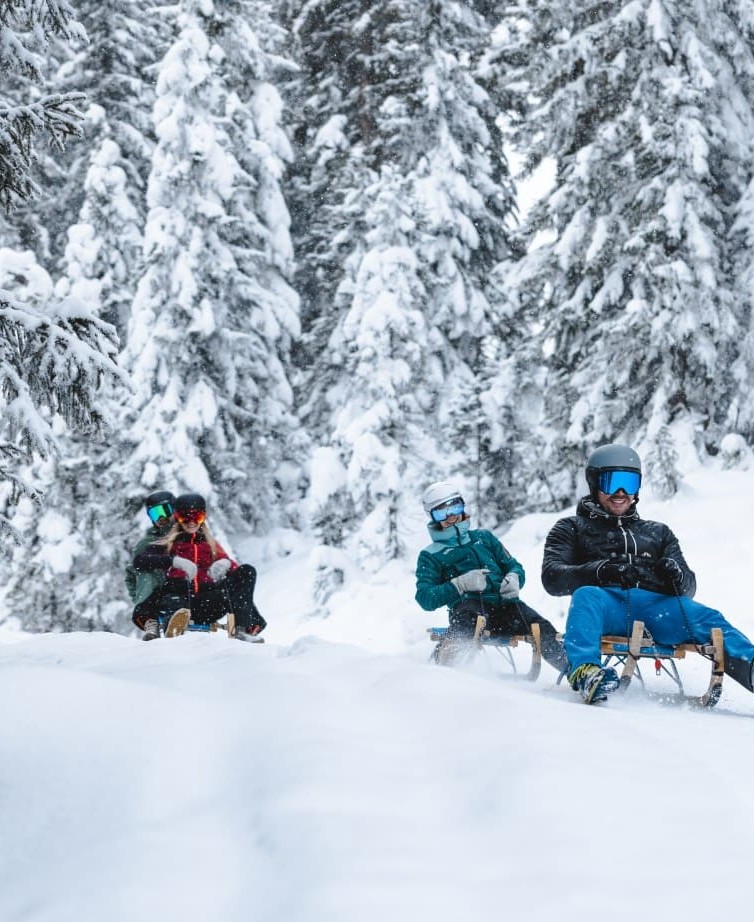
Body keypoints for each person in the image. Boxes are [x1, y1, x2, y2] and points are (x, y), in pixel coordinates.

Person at [542, 443, 754, 703]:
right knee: (585, 596)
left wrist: (675, 575)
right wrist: (601, 570)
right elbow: (552, 577)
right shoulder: (571, 528)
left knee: (704, 615)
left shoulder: (658, 532)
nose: (621, 492)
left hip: (657, 610)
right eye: (612, 482)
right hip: (606, 606)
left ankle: (751, 668)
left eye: (629, 483)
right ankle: (587, 673)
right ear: (594, 482)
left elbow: (688, 586)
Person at [415, 481, 568, 672]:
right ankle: (449, 662)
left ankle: (576, 671)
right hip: (469, 610)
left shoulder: (484, 538)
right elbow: (425, 598)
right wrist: (459, 585)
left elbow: (513, 566)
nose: (451, 516)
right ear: (432, 517)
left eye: (455, 506)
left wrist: (514, 578)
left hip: (507, 608)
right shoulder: (431, 555)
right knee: (469, 618)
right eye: (441, 512)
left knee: (541, 626)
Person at [131, 492, 266, 641]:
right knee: (172, 595)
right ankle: (174, 626)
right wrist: (174, 562)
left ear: (203, 518)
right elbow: (140, 561)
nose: (191, 522)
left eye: (197, 517)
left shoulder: (209, 544)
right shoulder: (169, 542)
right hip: (179, 597)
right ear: (177, 517)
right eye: (185, 517)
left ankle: (243, 629)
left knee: (247, 571)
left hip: (208, 601)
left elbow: (235, 571)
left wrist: (226, 564)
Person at [127, 490, 176, 639]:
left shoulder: (188, 534)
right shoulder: (147, 543)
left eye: (165, 511)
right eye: (155, 514)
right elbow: (132, 573)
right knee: (144, 569)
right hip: (158, 591)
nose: (161, 518)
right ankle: (151, 621)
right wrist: (139, 597)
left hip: (185, 587)